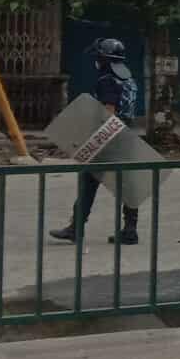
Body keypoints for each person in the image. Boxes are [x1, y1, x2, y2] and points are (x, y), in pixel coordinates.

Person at [51, 38, 140, 246]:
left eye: (98, 57)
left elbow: (108, 114)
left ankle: (75, 229)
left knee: (88, 181)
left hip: (111, 138)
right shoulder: (129, 80)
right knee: (128, 184)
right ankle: (130, 230)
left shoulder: (107, 80)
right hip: (127, 136)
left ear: (103, 59)